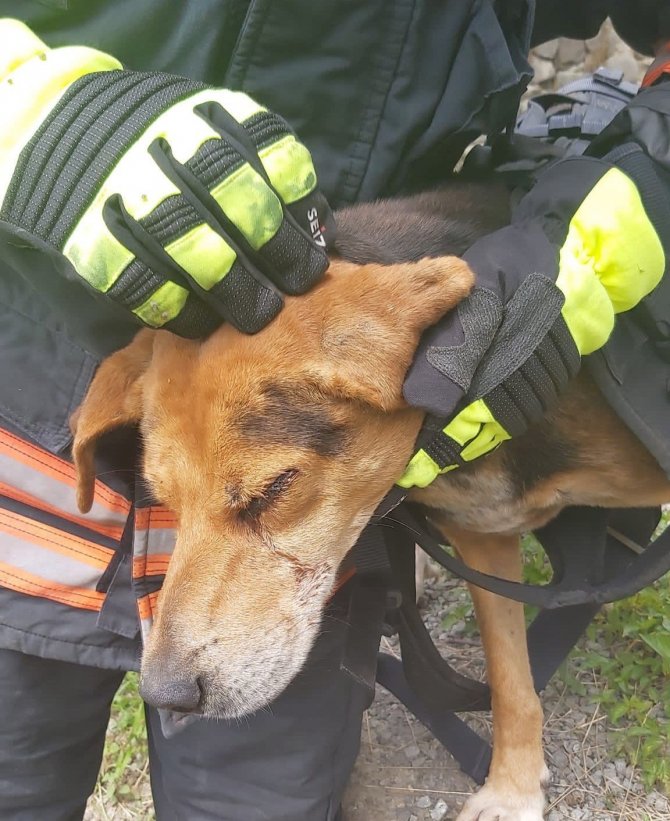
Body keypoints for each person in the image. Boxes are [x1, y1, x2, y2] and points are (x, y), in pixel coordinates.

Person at [0, 2, 669, 819]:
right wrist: (30, 108)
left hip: (413, 337)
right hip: (32, 421)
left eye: (268, 495)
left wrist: (657, 140)